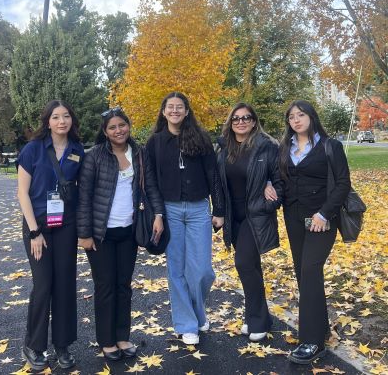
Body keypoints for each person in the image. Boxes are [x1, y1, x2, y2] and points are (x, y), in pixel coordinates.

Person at [77, 107, 165, 361]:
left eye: (122, 125)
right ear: (105, 132)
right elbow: (84, 197)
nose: (119, 130)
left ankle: (122, 336)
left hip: (129, 231)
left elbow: (150, 187)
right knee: (105, 287)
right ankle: (106, 341)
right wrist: (84, 234)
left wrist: (158, 214)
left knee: (124, 286)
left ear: (128, 126)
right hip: (101, 233)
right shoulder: (94, 156)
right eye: (112, 127)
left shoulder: (139, 153)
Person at [266, 100, 351, 364]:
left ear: (311, 117)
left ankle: (312, 341)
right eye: (291, 117)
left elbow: (343, 183)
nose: (296, 120)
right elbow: (279, 177)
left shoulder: (330, 146)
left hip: (322, 219)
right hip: (293, 217)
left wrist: (324, 213)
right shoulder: (284, 148)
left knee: (311, 269)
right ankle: (320, 327)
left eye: (300, 115)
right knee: (303, 272)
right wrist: (269, 185)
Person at [146, 92, 224, 345]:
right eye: (170, 107)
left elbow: (213, 175)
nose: (175, 111)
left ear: (187, 111)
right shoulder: (155, 142)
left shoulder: (200, 138)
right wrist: (157, 213)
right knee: (176, 270)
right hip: (170, 211)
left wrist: (219, 209)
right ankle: (186, 324)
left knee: (201, 270)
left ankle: (198, 313)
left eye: (180, 107)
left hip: (199, 209)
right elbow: (151, 183)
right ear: (163, 111)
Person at [17, 100, 84, 371]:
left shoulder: (77, 150)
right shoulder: (32, 150)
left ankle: (63, 344)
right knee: (44, 285)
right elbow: (23, 193)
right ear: (48, 122)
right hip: (38, 226)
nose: (61, 121)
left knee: (66, 284)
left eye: (66, 116)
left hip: (66, 224)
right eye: (56, 117)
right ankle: (34, 345)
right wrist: (34, 231)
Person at [216, 103, 282, 342]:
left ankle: (256, 320)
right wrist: (219, 212)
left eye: (246, 118)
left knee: (243, 263)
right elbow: (218, 183)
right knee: (251, 267)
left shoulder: (267, 147)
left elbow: (280, 182)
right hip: (235, 217)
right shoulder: (224, 148)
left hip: (256, 216)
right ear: (230, 122)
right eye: (236, 118)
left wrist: (268, 198)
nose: (241, 122)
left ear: (254, 121)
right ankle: (260, 317)